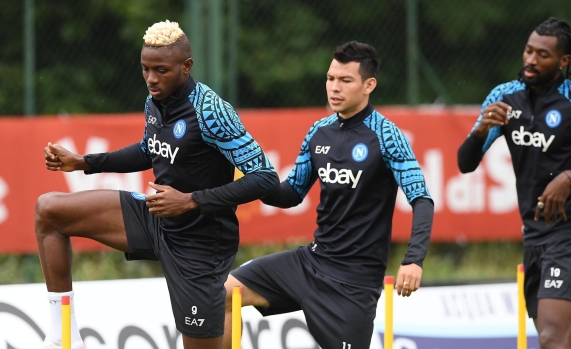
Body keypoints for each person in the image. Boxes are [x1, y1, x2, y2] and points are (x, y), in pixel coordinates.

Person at [35, 20, 278, 349]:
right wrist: (84, 162)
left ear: (186, 66)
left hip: (200, 244)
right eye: (145, 69)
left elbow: (265, 178)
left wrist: (191, 200)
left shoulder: (212, 111)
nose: (151, 79)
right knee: (49, 210)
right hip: (157, 218)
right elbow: (149, 150)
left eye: (161, 70)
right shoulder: (155, 101)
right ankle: (62, 337)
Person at [222, 41, 434, 349]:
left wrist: (413, 259)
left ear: (368, 85)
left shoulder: (387, 136)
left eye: (345, 80)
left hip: (354, 283)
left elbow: (422, 200)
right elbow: (291, 193)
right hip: (310, 263)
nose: (334, 87)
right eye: (330, 78)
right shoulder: (318, 131)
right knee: (224, 292)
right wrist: (255, 180)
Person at [458, 18, 571, 349]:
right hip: (533, 235)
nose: (531, 60)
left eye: (542, 55)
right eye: (528, 51)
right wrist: (478, 132)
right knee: (558, 342)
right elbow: (465, 164)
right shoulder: (504, 97)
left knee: (551, 339)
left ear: (563, 61)